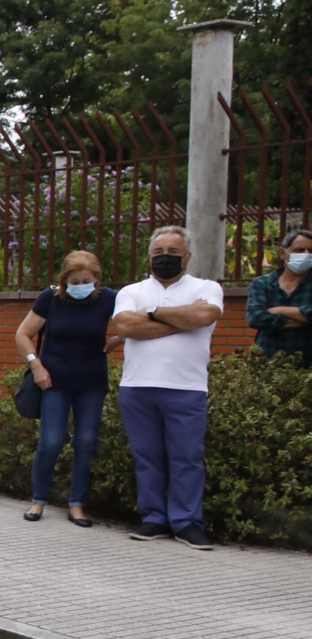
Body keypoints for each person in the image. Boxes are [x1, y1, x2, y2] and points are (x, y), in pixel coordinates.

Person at [111, 226, 223, 549]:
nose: (164, 258)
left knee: (187, 457)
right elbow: (125, 326)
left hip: (187, 388)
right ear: (148, 257)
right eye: (158, 253)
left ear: (187, 257)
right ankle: (153, 518)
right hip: (137, 387)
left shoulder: (207, 287)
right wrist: (180, 321)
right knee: (147, 457)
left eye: (173, 253)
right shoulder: (130, 291)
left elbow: (204, 314)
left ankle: (187, 522)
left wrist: (153, 315)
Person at [14, 251, 119, 527]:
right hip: (53, 381)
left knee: (86, 442)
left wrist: (113, 343)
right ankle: (38, 500)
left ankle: (77, 504)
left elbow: (129, 326)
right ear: (64, 280)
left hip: (92, 382)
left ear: (96, 279)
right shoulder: (51, 298)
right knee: (51, 441)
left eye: (87, 279)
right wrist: (36, 366)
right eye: (75, 280)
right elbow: (23, 334)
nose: (81, 284)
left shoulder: (108, 298)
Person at [246, 225, 312, 365]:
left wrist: (280, 310)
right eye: (299, 250)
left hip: (306, 365)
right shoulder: (262, 284)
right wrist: (305, 320)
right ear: (283, 253)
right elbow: (256, 318)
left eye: (310, 251)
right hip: (266, 364)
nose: (306, 254)